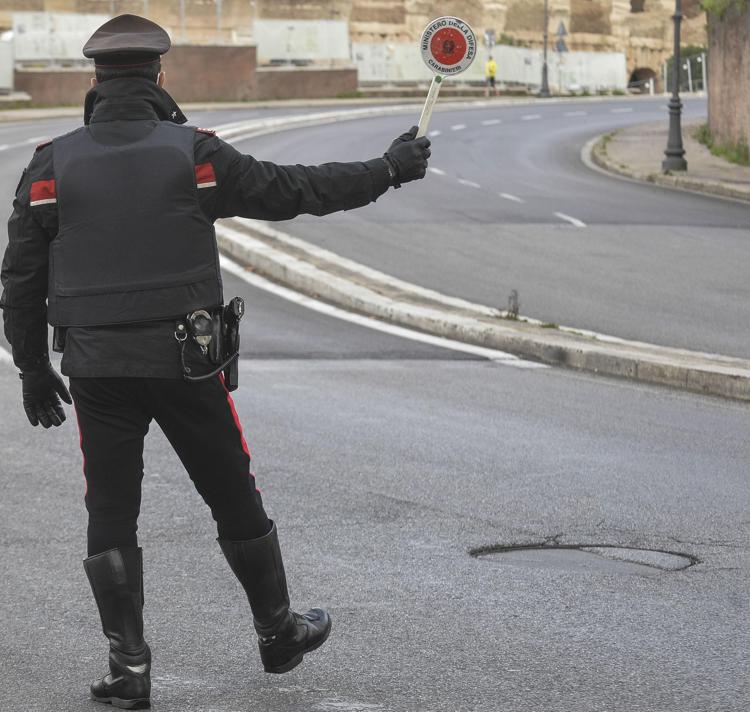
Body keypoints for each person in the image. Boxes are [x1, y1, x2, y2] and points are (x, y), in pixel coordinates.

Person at [0, 14, 431, 710]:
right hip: (186, 362)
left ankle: (130, 670)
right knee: (232, 491)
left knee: (110, 509)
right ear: (159, 78)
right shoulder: (193, 155)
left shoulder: (52, 163)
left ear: (95, 81)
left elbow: (19, 279)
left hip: (98, 368)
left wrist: (30, 369)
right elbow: (295, 190)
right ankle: (277, 632)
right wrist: (385, 170)